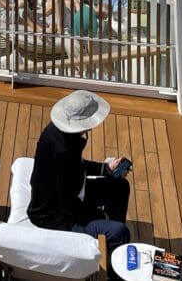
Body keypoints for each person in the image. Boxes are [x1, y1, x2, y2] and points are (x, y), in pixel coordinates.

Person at [28, 90, 131, 250]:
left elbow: (78, 168)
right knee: (120, 232)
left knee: (121, 187)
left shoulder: (60, 133)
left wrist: (106, 169)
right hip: (56, 217)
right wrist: (92, 217)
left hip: (71, 197)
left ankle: (109, 239)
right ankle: (112, 262)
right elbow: (69, 197)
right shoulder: (61, 152)